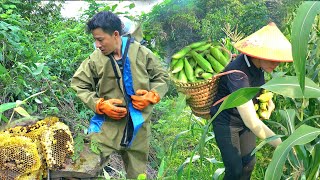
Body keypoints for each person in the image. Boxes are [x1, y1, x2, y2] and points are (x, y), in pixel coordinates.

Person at [71, 11, 168, 179]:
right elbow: (79, 84)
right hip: (106, 127)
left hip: (139, 128)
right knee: (82, 167)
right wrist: (99, 104)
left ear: (115, 34)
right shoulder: (95, 59)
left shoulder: (141, 53)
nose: (97, 44)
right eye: (95, 39)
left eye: (100, 39)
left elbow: (162, 77)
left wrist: (153, 95)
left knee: (138, 176)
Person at [210, 22, 293, 180]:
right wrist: (281, 145)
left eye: (278, 59)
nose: (276, 64)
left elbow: (258, 85)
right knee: (234, 170)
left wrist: (268, 102)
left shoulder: (259, 65)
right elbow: (252, 122)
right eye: (271, 59)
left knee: (248, 165)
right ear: (257, 54)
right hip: (226, 121)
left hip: (242, 120)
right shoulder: (238, 73)